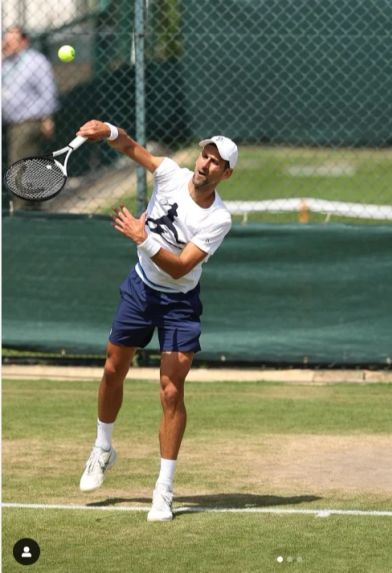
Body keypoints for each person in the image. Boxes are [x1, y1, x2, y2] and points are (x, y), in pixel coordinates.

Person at [74, 119, 236, 522]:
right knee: (114, 369)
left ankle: (163, 490)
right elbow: (131, 148)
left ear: (225, 174)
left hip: (179, 303)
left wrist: (141, 236)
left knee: (170, 391)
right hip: (141, 289)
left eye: (216, 163)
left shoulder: (219, 219)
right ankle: (103, 448)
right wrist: (106, 130)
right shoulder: (170, 174)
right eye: (205, 156)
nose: (205, 165)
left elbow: (181, 267)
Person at [2, 26, 59, 207]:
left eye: (12, 40)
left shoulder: (35, 61)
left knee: (19, 167)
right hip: (8, 123)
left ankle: (22, 212)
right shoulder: (5, 62)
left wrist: (47, 118)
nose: (7, 43)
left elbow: (48, 91)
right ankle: (33, 208)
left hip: (28, 122)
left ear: (24, 42)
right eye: (6, 39)